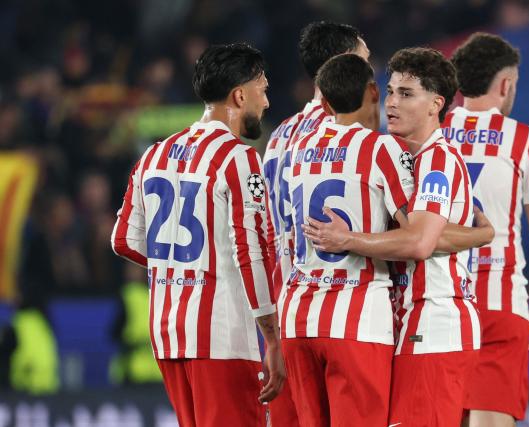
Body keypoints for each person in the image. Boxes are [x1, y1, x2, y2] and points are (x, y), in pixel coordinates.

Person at [303, 47, 488, 426]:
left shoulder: (437, 161)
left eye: (406, 94)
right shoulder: (409, 160)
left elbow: (419, 242)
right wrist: (481, 233)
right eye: (390, 92)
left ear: (436, 104)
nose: (391, 103)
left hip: (434, 322)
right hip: (414, 325)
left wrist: (349, 239)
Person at [111, 42, 285, 427]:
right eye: (263, 90)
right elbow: (251, 251)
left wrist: (178, 266)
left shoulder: (154, 154)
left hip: (168, 333)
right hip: (221, 336)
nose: (267, 103)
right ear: (239, 95)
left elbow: (122, 239)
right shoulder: (239, 157)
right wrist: (273, 337)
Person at [447, 33, 529, 426]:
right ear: (506, 84)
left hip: (437, 301)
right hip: (500, 303)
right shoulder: (524, 141)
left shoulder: (429, 135)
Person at [262, 21, 369, 426]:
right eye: (364, 62)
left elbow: (268, 232)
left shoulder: (279, 138)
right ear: (344, 65)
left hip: (290, 310)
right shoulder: (353, 133)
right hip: (347, 313)